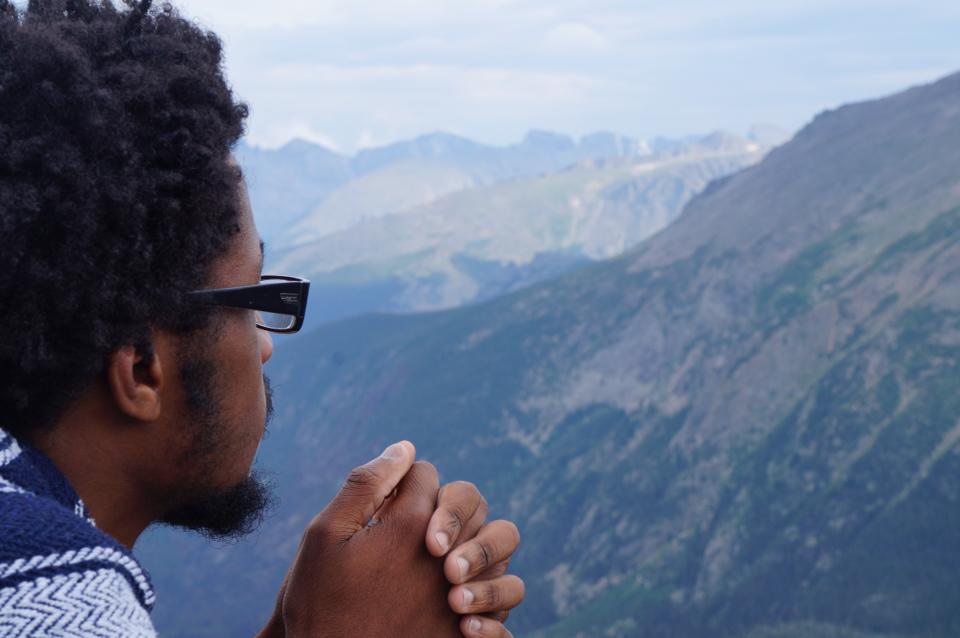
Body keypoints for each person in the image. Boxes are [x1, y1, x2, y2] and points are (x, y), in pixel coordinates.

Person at [0, 1, 524, 636]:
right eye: (251, 299)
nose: (266, 348)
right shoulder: (64, 602)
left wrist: (300, 625)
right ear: (140, 367)